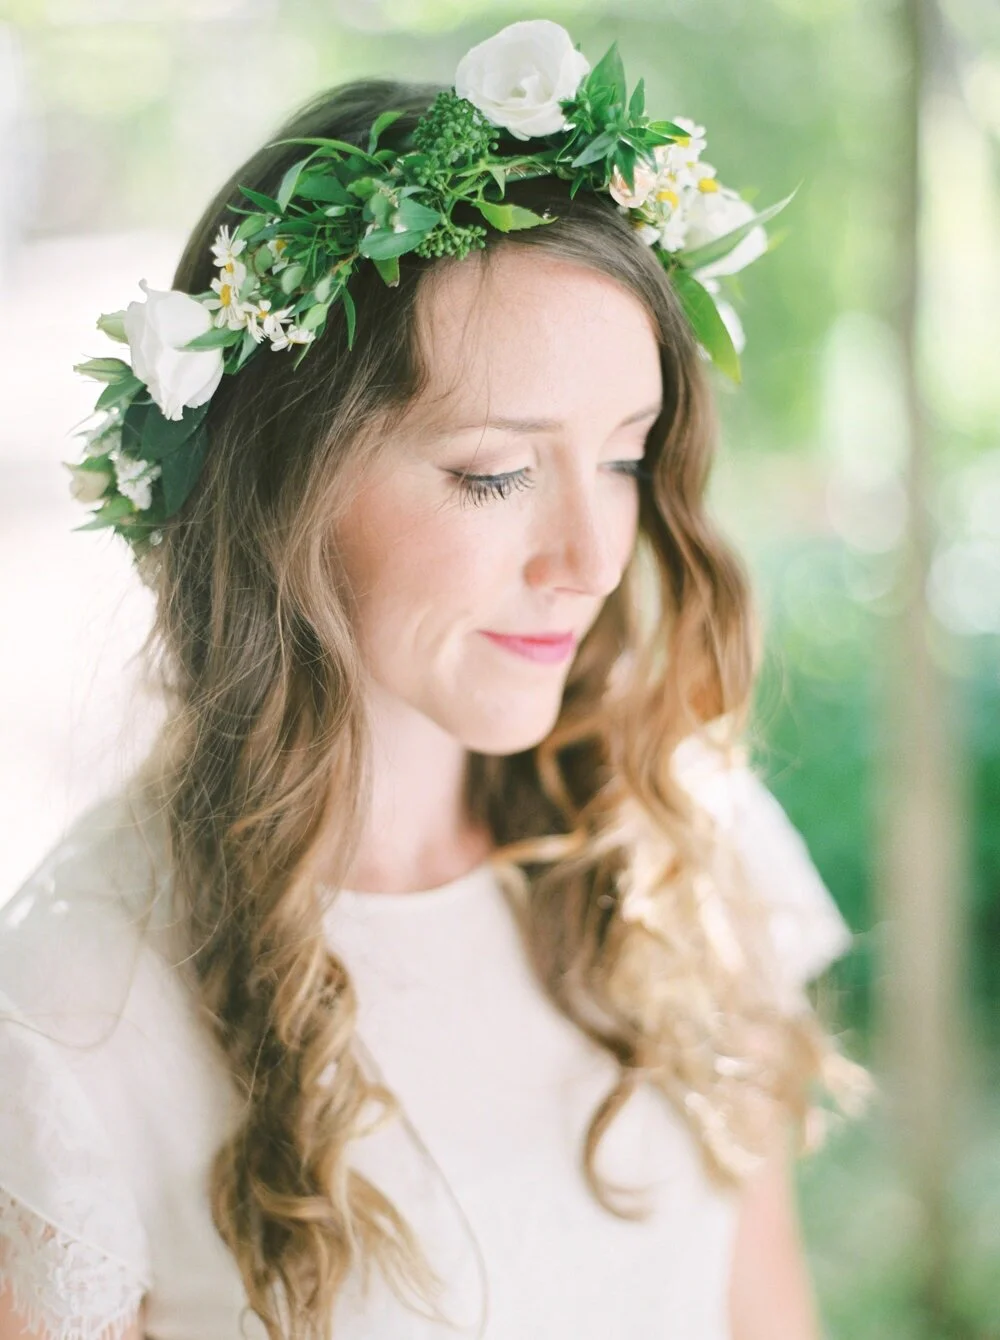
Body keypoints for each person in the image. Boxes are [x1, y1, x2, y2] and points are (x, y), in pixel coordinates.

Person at [0, 19, 871, 1340]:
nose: (589, 558)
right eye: (495, 474)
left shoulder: (688, 845)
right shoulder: (74, 1009)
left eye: (626, 458)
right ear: (286, 486)